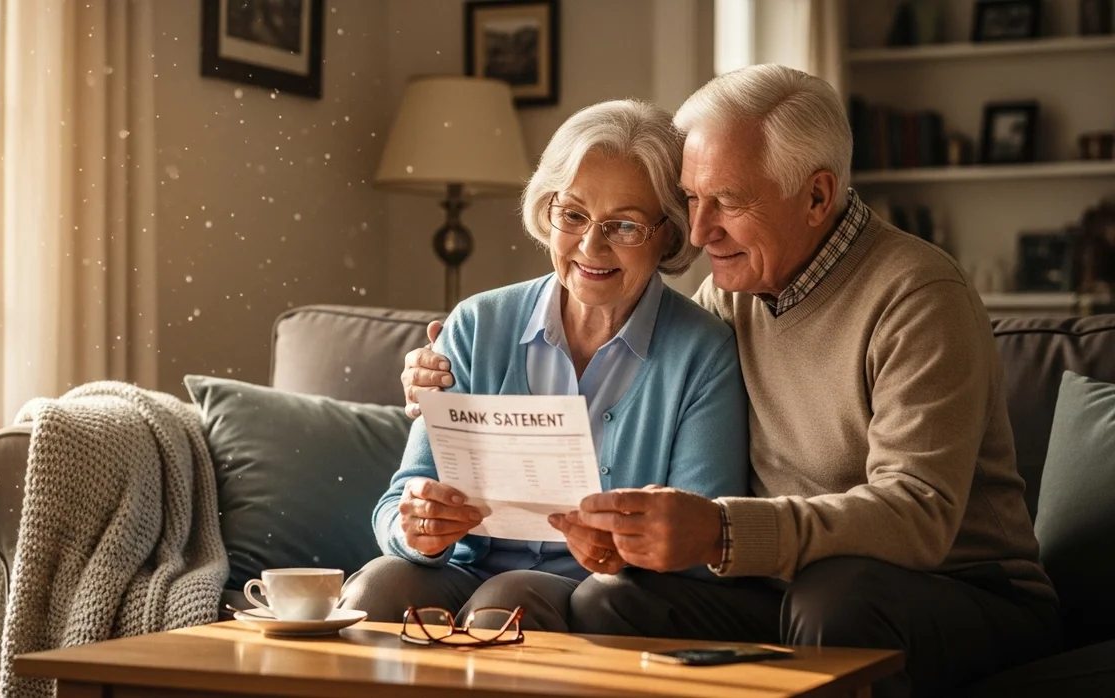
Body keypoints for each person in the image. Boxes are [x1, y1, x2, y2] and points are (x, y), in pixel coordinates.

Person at [399, 65, 1060, 697]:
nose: (698, 228)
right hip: (772, 584)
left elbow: (918, 516)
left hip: (959, 589)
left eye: (728, 202)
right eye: (691, 199)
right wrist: (438, 378)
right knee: (610, 601)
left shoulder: (917, 295)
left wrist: (720, 531)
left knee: (835, 598)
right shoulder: (729, 298)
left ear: (818, 195)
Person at [339, 99, 751, 632]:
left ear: (669, 234)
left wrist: (626, 548)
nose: (591, 245)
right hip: (461, 571)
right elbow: (401, 496)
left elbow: (701, 544)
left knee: (508, 597)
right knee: (378, 584)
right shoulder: (476, 324)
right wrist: (414, 527)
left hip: (593, 592)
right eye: (573, 214)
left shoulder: (703, 351)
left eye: (624, 225)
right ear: (547, 209)